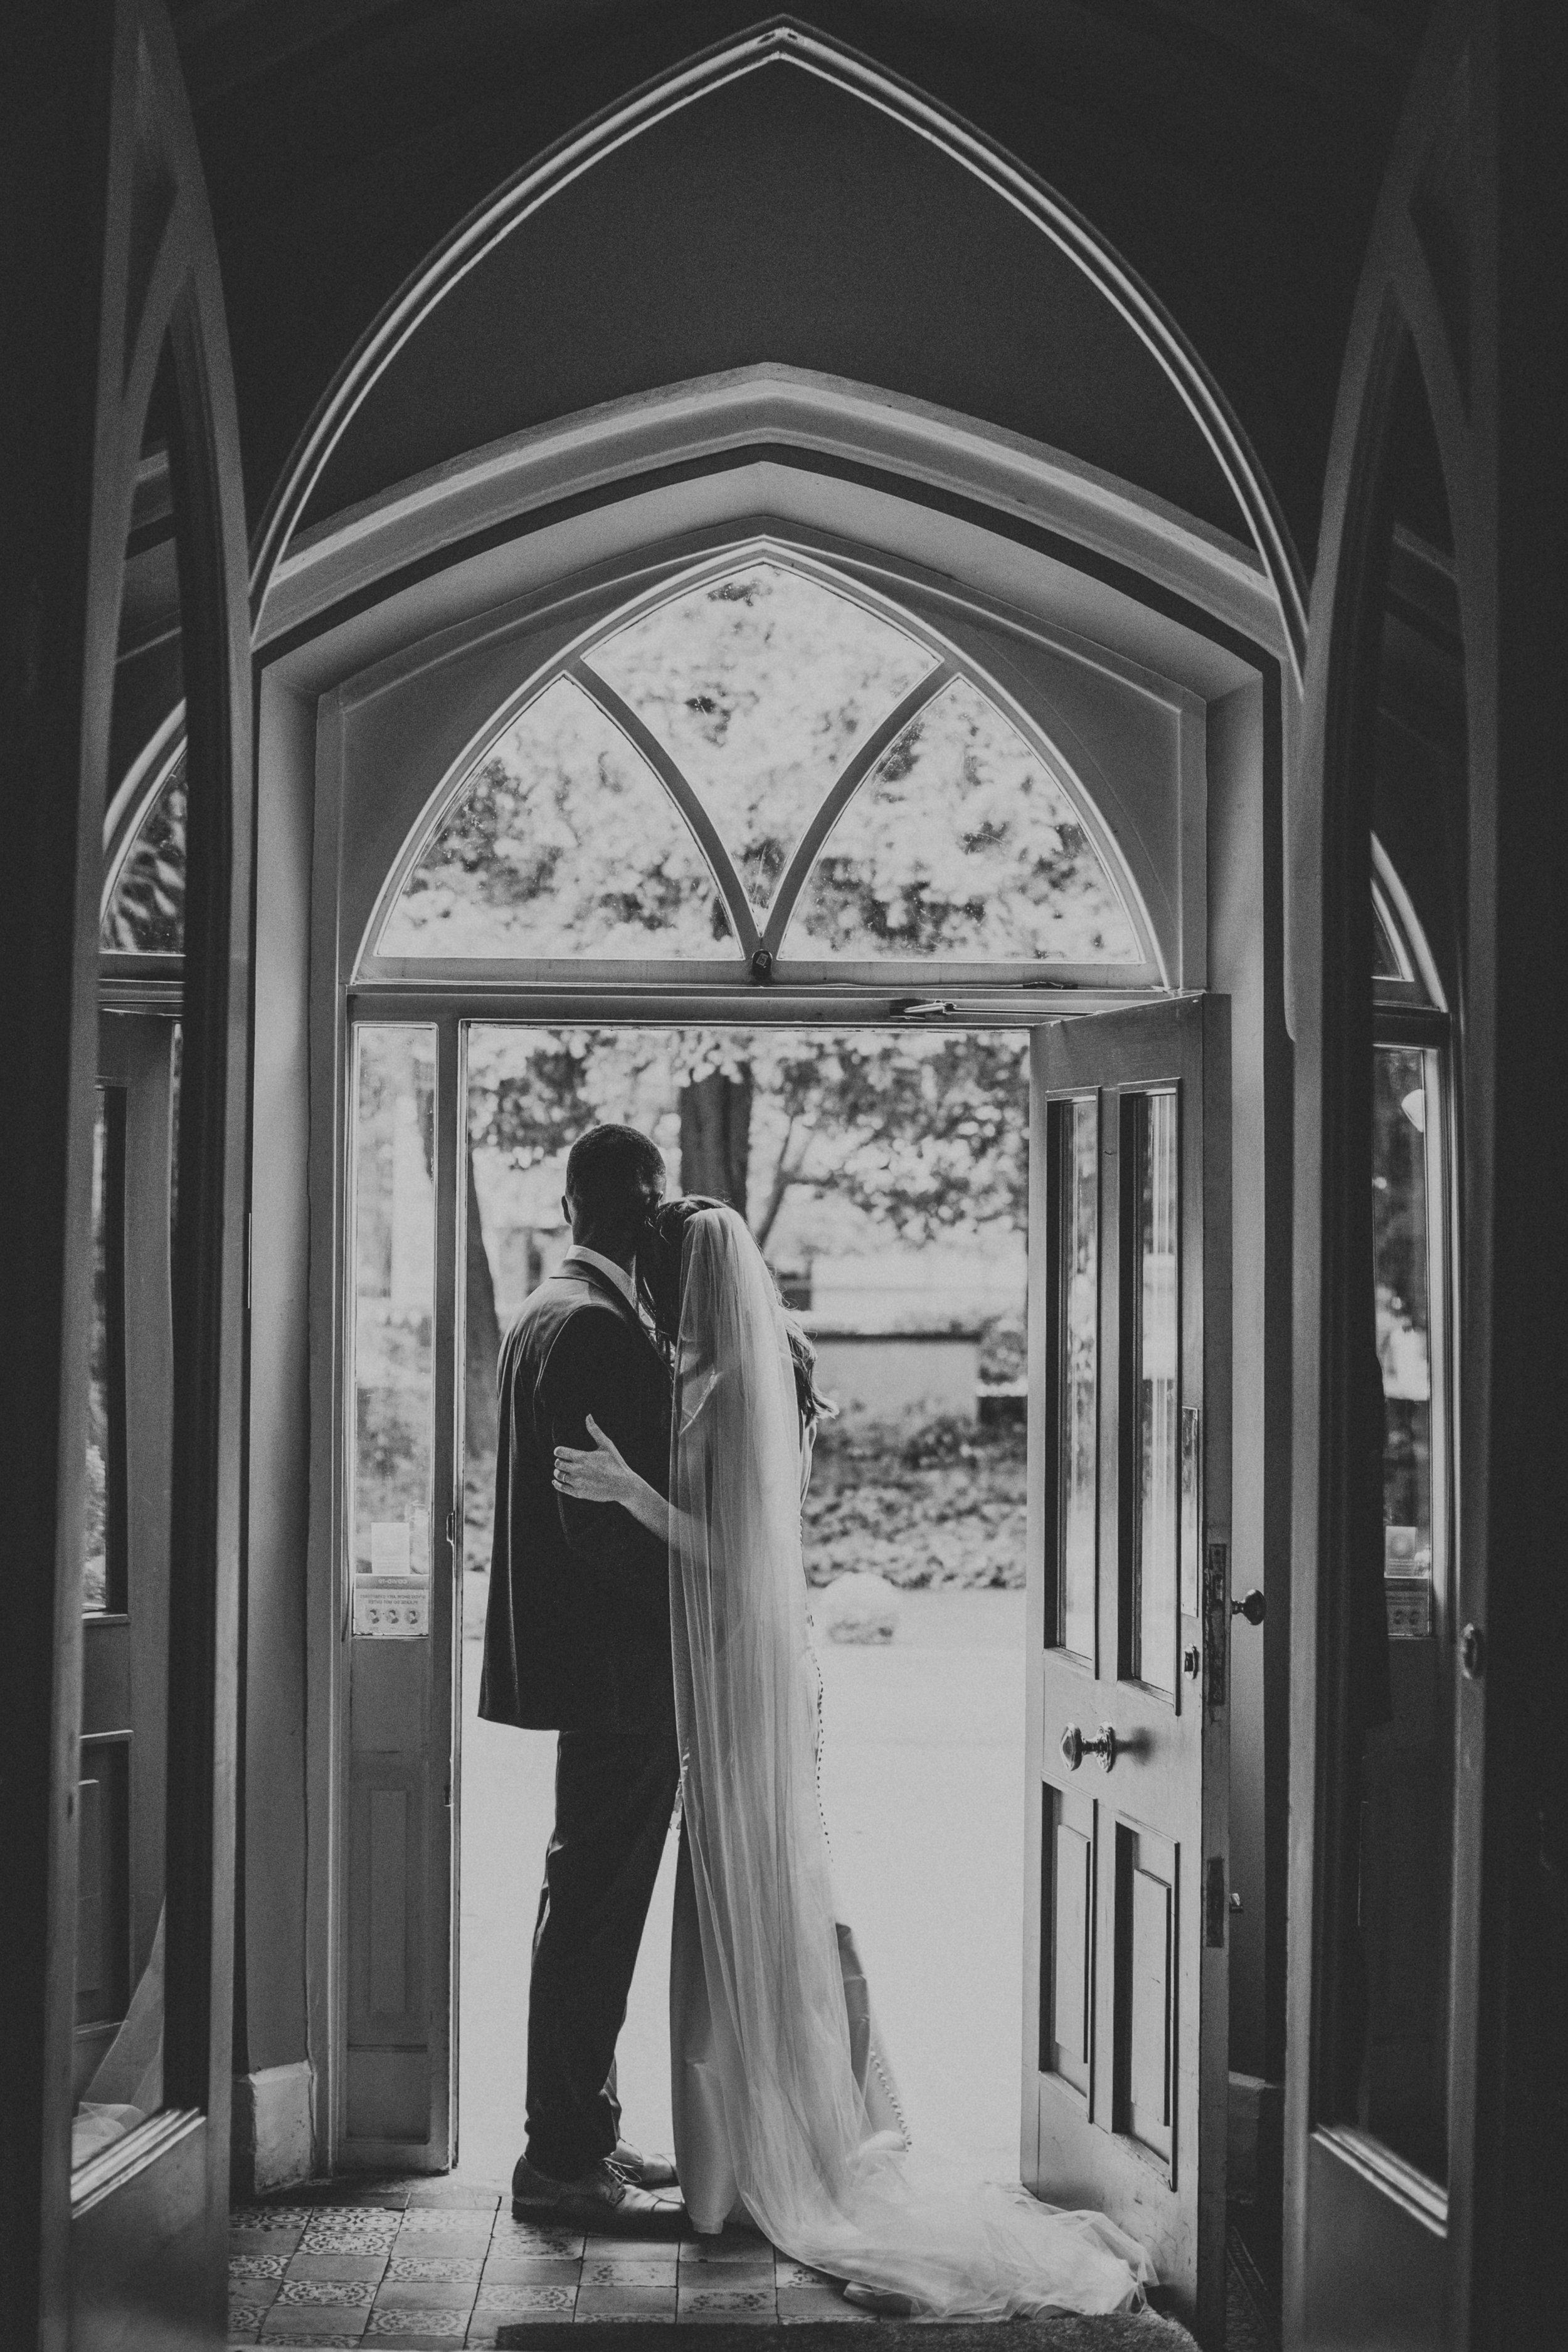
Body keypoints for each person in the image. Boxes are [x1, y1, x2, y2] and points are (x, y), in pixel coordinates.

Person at [553, 1197, 1154, 2318]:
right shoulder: (754, 1364)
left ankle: (771, 2152)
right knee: (755, 1891)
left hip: (754, 1666)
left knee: (750, 1891)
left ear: (688, 1283)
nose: (650, 1300)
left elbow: (746, 1556)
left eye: (657, 1279)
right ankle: (747, 2145)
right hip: (756, 1666)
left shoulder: (740, 1388)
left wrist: (634, 1494)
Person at [478, 1124, 683, 2231]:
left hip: (589, 1675)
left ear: (568, 1209)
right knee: (597, 1915)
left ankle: (582, 2129)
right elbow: (602, 1525)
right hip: (622, 1678)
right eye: (655, 1211)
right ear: (640, 1210)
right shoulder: (600, 1329)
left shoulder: (546, 1309)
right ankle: (562, 2160)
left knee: (582, 1903)